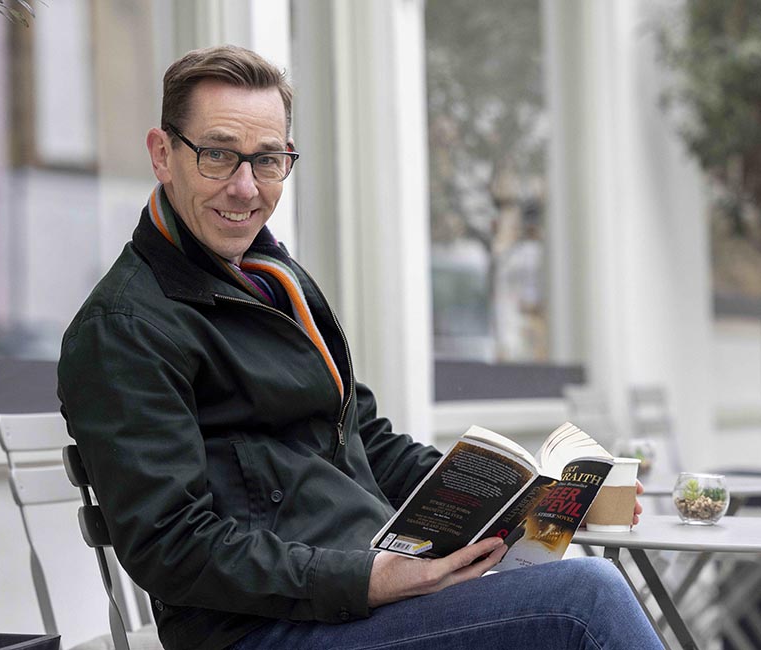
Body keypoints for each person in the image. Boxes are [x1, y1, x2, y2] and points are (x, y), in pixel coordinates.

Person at [57, 45, 662, 650]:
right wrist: (366, 580)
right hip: (265, 630)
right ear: (164, 154)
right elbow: (172, 546)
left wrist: (522, 498)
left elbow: (366, 442)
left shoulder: (273, 281)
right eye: (218, 155)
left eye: (267, 160)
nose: (245, 188)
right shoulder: (126, 327)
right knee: (587, 598)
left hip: (359, 602)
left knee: (574, 584)